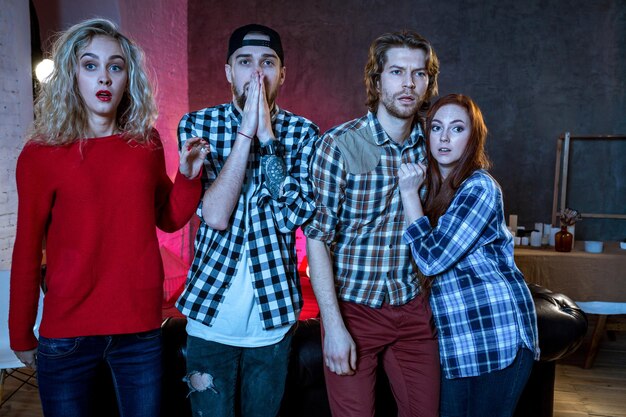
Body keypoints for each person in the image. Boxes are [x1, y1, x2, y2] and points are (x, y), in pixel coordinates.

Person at [9, 18, 207, 417]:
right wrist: (20, 331)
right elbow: (27, 248)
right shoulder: (41, 154)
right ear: (72, 74)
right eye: (90, 65)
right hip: (67, 335)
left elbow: (167, 218)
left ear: (127, 77)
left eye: (115, 67)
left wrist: (187, 177)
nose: (104, 77)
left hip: (139, 331)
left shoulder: (144, 142)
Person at [175, 24, 319, 417]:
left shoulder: (304, 133)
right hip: (209, 315)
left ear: (282, 74)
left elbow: (292, 217)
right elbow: (217, 216)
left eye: (267, 63)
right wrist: (245, 133)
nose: (257, 74)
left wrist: (269, 137)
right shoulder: (197, 125)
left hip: (272, 320)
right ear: (228, 72)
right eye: (245, 62)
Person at [304, 30, 441, 417]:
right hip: (355, 309)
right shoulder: (339, 146)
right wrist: (332, 326)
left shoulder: (435, 144)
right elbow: (317, 239)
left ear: (429, 81)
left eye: (419, 73)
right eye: (397, 71)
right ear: (376, 79)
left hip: (413, 306)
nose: (408, 84)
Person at [398, 93, 540, 417]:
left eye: (457, 128)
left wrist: (407, 194)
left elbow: (432, 259)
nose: (445, 137)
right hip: (459, 345)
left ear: (472, 137)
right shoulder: (433, 191)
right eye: (437, 127)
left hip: (495, 334)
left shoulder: (480, 187)